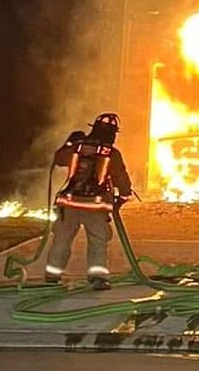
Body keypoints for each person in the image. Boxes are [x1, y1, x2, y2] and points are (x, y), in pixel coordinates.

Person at [44, 112, 133, 290]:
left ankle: (52, 276)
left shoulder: (77, 146)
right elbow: (120, 177)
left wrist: (69, 142)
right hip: (95, 205)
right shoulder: (111, 153)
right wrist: (124, 195)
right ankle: (98, 277)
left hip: (69, 203)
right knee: (98, 241)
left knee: (61, 240)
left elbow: (58, 159)